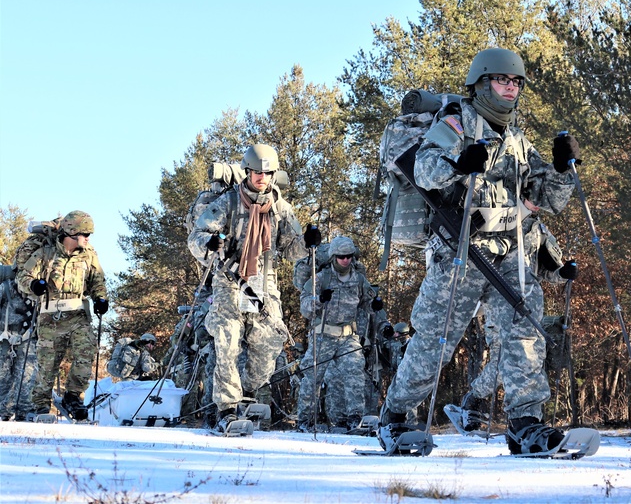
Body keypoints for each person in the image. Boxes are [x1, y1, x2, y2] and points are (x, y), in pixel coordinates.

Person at [377, 47, 580, 455]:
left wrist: (562, 170)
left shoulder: (517, 140)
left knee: (525, 332)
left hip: (511, 250)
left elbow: (545, 197)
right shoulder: (457, 121)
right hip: (462, 250)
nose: (511, 88)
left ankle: (526, 424)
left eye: (516, 82)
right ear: (482, 83)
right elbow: (425, 168)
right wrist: (459, 161)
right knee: (436, 340)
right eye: (503, 80)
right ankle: (395, 416)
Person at [187, 144, 314, 432]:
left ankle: (246, 390)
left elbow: (292, 249)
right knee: (228, 343)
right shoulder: (229, 202)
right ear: (248, 171)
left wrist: (307, 242)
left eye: (267, 173)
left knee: (268, 346)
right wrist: (210, 243)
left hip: (263, 284)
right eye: (257, 172)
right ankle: (227, 409)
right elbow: (197, 236)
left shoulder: (280, 208)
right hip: (229, 281)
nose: (262, 177)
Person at [455, 216, 577, 432]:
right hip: (500, 305)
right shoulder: (495, 216)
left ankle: (526, 420)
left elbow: (547, 270)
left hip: (529, 308)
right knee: (507, 362)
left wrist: (563, 272)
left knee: (530, 360)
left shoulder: (537, 229)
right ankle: (505, 414)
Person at [16, 210, 109, 421]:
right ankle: (40, 404)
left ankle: (72, 396)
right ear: (72, 233)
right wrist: (33, 284)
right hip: (50, 318)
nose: (88, 238)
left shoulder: (89, 255)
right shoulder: (46, 254)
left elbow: (98, 281)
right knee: (48, 364)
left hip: (78, 315)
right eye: (85, 234)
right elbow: (23, 276)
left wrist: (101, 299)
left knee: (86, 354)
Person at [292, 235, 385, 432]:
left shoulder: (359, 280)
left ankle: (355, 418)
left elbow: (366, 303)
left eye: (349, 256)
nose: (345, 260)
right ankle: (305, 420)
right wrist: (319, 300)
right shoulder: (320, 278)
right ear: (334, 257)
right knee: (312, 377)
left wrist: (374, 305)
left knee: (355, 372)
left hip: (348, 336)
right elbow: (305, 307)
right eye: (341, 257)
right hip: (323, 336)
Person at [0, 278, 38, 420]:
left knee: (27, 376)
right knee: (3, 377)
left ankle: (24, 411)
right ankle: (4, 411)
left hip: (28, 337)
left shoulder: (37, 291)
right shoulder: (6, 287)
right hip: (5, 337)